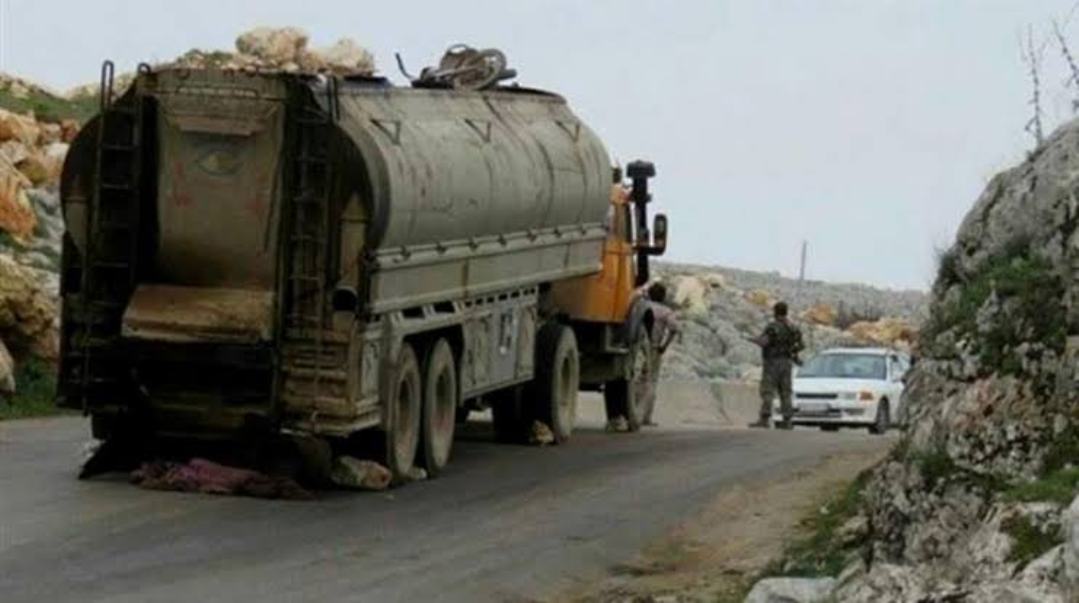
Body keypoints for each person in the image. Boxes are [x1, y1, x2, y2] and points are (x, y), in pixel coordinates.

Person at [748, 301, 804, 429]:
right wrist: (791, 352)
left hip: (772, 363)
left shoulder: (773, 327)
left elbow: (764, 342)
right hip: (787, 363)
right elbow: (801, 345)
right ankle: (787, 420)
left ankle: (764, 418)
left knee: (768, 391)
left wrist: (753, 339)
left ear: (775, 312)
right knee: (785, 392)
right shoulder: (793, 328)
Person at [642, 282, 680, 426]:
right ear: (663, 296)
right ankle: (646, 417)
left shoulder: (641, 307)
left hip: (638, 347)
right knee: (651, 382)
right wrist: (664, 346)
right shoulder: (665, 312)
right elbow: (674, 329)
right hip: (654, 348)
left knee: (637, 381)